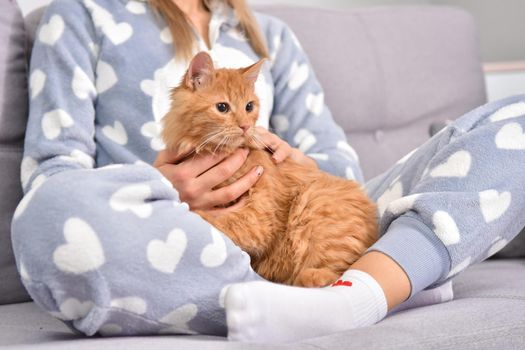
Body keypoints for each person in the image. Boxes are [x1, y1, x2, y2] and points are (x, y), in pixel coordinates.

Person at [11, 0, 525, 343]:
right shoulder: (81, 14)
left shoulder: (270, 36)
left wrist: (302, 167)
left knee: (518, 121)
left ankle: (367, 287)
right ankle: (398, 278)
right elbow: (52, 177)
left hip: (308, 207)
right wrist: (162, 188)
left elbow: (340, 166)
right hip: (169, 234)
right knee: (48, 220)